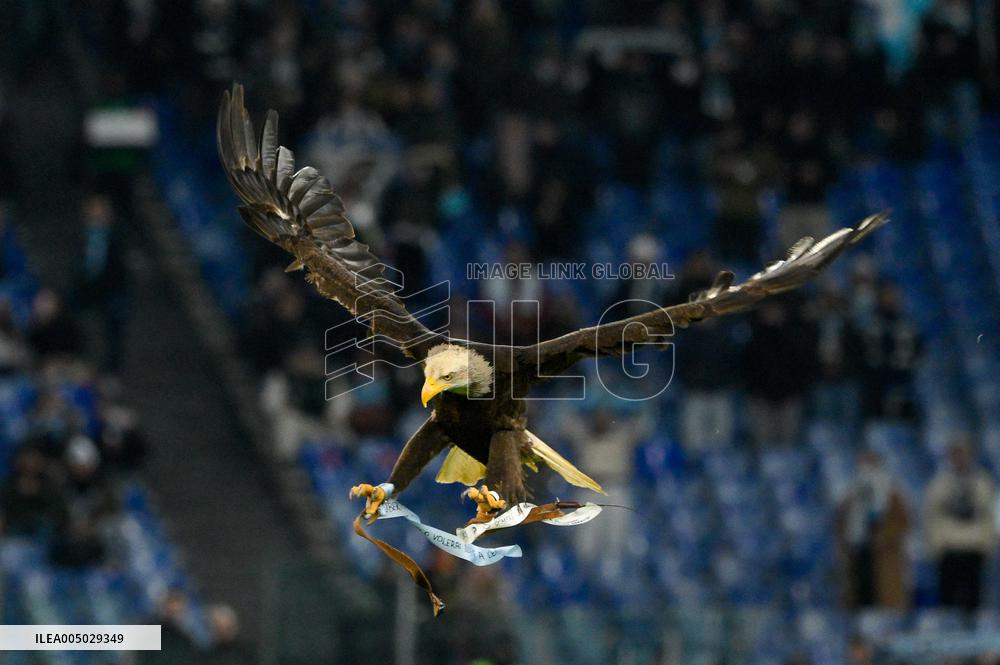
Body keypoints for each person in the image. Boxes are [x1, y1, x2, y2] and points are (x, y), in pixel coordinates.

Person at [925, 435, 997, 611]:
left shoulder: (983, 482)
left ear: (971, 455)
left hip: (974, 546)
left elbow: (990, 516)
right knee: (948, 600)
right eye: (955, 454)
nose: (959, 458)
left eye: (963, 453)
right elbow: (931, 516)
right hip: (949, 547)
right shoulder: (940, 483)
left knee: (973, 600)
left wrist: (989, 543)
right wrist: (935, 545)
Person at [836, 451, 910, 610]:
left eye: (871, 465)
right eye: (864, 465)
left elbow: (903, 522)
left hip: (884, 557)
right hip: (859, 555)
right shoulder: (851, 496)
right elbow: (841, 524)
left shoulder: (892, 495)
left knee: (884, 603)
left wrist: (884, 536)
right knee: (861, 600)